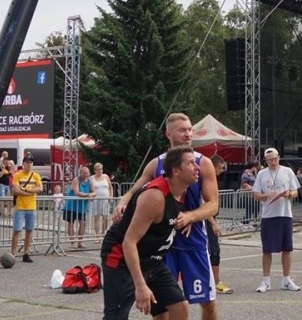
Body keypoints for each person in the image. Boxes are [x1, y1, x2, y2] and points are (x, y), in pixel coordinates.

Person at [113, 113, 219, 320]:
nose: (188, 134)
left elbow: (213, 204)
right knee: (161, 309)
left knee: (207, 302)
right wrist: (122, 203)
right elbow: (135, 190)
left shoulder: (202, 163)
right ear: (168, 134)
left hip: (193, 242)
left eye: (190, 129)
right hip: (162, 245)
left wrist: (191, 216)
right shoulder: (156, 164)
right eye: (182, 130)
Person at [101, 145, 198, 320]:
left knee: (179, 307)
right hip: (120, 257)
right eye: (191, 163)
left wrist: (184, 218)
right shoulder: (155, 196)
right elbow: (129, 242)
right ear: (176, 171)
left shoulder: (181, 190)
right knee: (116, 316)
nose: (197, 167)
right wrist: (140, 285)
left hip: (151, 260)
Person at [252, 147, 301, 292]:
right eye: (269, 160)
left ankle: (286, 279)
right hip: (268, 215)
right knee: (267, 249)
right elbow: (255, 194)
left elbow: (295, 191)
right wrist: (267, 195)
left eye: (274, 159)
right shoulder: (262, 173)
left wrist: (289, 195)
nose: (273, 162)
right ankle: (266, 281)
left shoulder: (287, 171)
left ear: (279, 157)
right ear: (265, 161)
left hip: (285, 214)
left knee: (287, 248)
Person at [206, 154, 233, 295]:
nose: (222, 170)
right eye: (220, 168)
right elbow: (203, 203)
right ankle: (215, 283)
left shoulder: (213, 180)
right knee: (213, 252)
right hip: (205, 220)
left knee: (214, 252)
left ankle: (214, 282)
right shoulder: (205, 181)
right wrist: (213, 223)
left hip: (211, 218)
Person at [10, 155, 43, 263]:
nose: (29, 164)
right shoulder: (17, 175)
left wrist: (26, 190)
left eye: (31, 162)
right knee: (17, 230)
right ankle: (13, 253)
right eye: (27, 162)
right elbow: (16, 190)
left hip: (31, 206)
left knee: (29, 230)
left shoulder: (36, 176)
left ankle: (26, 253)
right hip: (20, 207)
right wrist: (30, 191)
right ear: (23, 163)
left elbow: (40, 188)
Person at [64, 165, 95, 248]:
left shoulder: (90, 181)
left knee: (83, 223)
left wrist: (91, 194)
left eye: (87, 173)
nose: (86, 175)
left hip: (82, 207)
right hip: (71, 205)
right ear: (80, 173)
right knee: (71, 223)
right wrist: (88, 195)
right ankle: (73, 241)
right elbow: (76, 192)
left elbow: (94, 192)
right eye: (84, 173)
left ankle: (80, 241)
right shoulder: (76, 180)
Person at [91, 162, 114, 242]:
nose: (99, 171)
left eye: (101, 169)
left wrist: (111, 197)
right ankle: (97, 236)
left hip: (105, 199)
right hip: (96, 200)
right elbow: (90, 189)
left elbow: (110, 187)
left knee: (105, 217)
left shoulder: (106, 176)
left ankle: (103, 233)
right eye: (98, 169)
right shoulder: (92, 178)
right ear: (95, 170)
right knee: (96, 218)